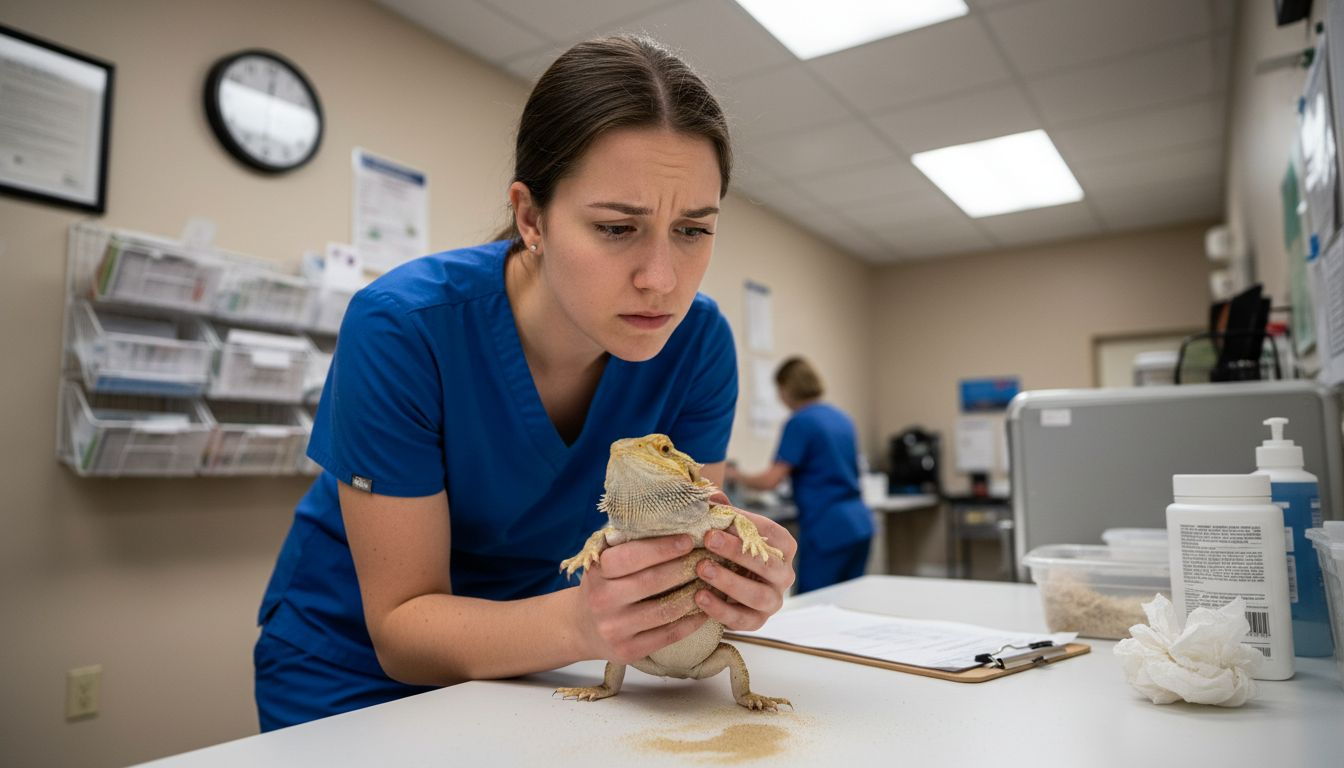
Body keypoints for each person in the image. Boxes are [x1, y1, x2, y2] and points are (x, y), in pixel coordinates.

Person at [253, 34, 797, 731]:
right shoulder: (404, 327)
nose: (662, 279)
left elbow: (682, 547)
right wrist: (581, 622)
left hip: (536, 660)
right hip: (349, 673)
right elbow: (401, 628)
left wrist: (733, 580)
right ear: (531, 217)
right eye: (615, 227)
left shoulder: (698, 345)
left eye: (692, 231)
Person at [727, 357, 873, 594]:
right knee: (849, 600)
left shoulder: (800, 422)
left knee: (814, 604)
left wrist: (735, 475)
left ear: (786, 388)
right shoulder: (842, 418)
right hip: (859, 524)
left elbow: (770, 481)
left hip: (828, 528)